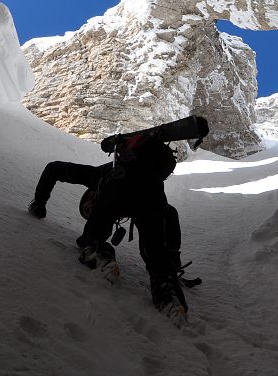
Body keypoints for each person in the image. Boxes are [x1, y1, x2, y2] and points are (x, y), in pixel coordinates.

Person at [28, 134, 189, 318]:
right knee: (156, 254)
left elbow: (53, 168)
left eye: (88, 206)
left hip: (121, 184)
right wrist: (173, 259)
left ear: (91, 194)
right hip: (154, 194)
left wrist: (39, 204)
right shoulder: (137, 181)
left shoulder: (98, 176)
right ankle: (169, 294)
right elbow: (171, 214)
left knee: (94, 234)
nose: (91, 208)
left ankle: (99, 253)